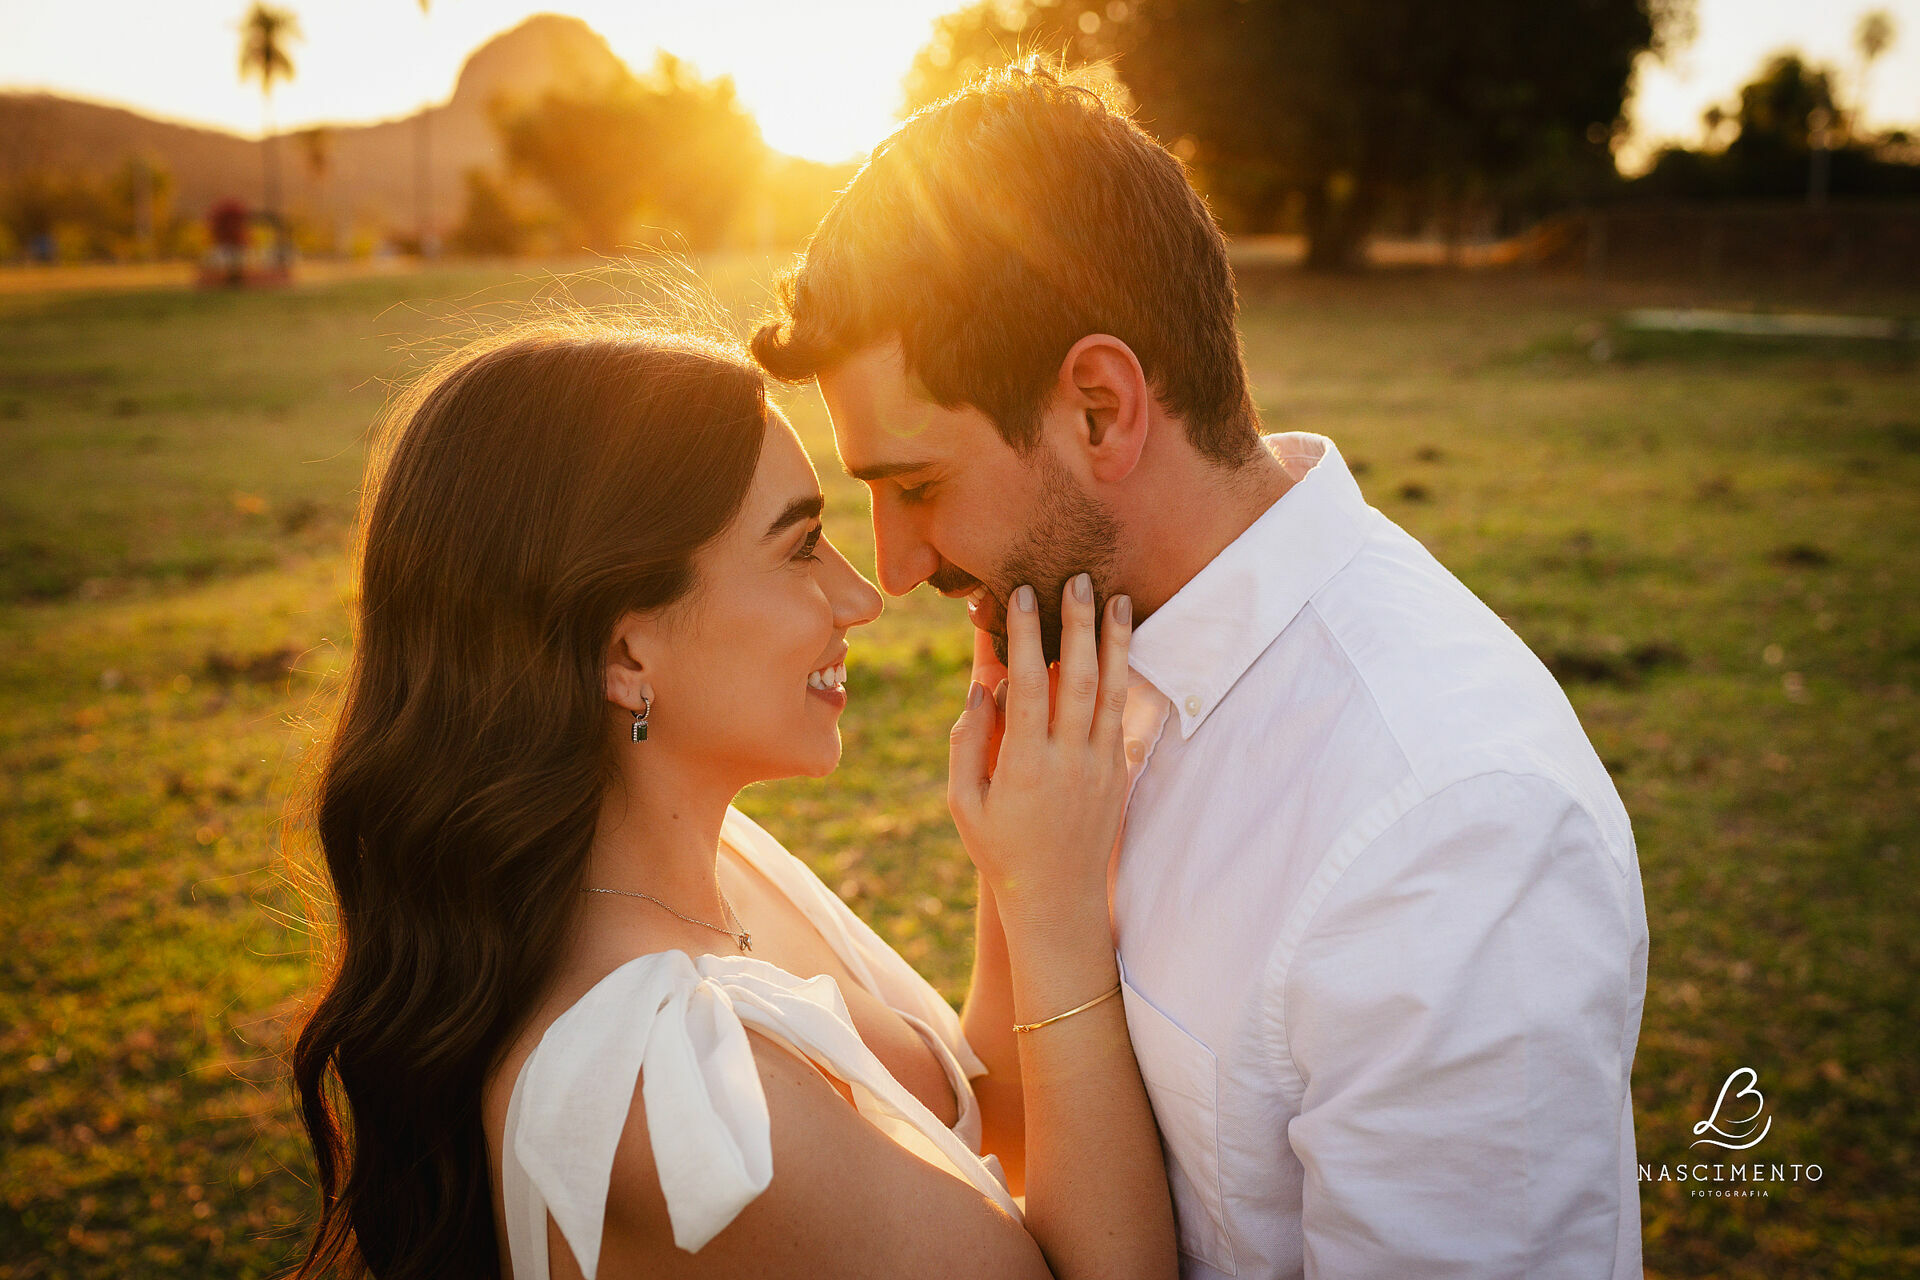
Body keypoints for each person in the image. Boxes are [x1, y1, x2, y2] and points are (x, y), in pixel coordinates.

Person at [753, 62, 1651, 1279]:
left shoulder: (1445, 824)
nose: (898, 568)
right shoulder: (1077, 674)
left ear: (1100, 409)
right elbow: (1021, 1142)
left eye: (916, 488)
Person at [289, 322, 1177, 1280]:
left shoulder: (716, 865)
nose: (862, 596)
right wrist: (1056, 910)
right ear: (626, 657)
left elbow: (991, 1118)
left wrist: (1014, 863)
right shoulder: (663, 1102)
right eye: (800, 547)